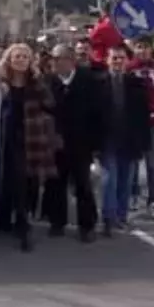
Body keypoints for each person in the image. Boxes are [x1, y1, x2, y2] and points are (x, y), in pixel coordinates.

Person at [0, 43, 59, 253]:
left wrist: (37, 81)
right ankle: (7, 221)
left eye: (24, 56)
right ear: (9, 60)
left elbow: (50, 104)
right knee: (8, 181)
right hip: (5, 138)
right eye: (16, 56)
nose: (20, 60)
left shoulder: (36, 82)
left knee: (26, 183)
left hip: (30, 139)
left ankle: (24, 226)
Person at [43, 43, 101, 243]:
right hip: (56, 143)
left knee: (83, 185)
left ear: (71, 60)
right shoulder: (47, 82)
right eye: (54, 59)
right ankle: (56, 222)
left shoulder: (87, 80)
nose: (57, 63)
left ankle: (87, 225)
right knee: (55, 184)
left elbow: (97, 113)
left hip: (81, 142)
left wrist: (95, 144)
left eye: (61, 59)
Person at [98, 45, 152, 236]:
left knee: (125, 181)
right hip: (107, 140)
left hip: (130, 140)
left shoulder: (136, 83)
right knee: (108, 180)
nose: (118, 62)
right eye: (114, 58)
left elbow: (144, 116)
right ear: (107, 60)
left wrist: (145, 143)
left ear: (127, 61)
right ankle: (108, 218)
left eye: (121, 58)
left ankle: (121, 216)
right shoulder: (99, 83)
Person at [128, 36, 154, 219]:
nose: (142, 51)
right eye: (139, 47)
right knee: (134, 164)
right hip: (135, 123)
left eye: (146, 47)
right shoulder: (129, 69)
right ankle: (133, 196)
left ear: (152, 49)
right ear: (134, 49)